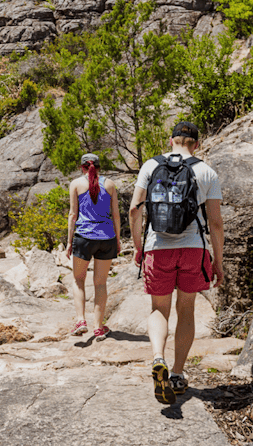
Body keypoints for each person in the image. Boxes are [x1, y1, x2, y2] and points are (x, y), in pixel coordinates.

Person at [128, 121, 225, 405]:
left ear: (170, 141)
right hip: (193, 248)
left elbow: (135, 209)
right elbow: (216, 223)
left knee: (159, 308)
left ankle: (158, 357)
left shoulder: (150, 166)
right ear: (198, 144)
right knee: (186, 309)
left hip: (158, 248)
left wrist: (138, 246)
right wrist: (217, 260)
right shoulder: (206, 171)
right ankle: (178, 374)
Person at [66, 153, 121, 340]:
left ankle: (81, 320)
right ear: (99, 167)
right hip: (107, 237)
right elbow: (116, 216)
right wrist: (118, 240)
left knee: (78, 280)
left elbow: (73, 215)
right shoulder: (111, 185)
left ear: (82, 167)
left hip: (83, 237)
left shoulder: (76, 184)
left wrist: (68, 243)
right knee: (100, 283)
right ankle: (98, 327)